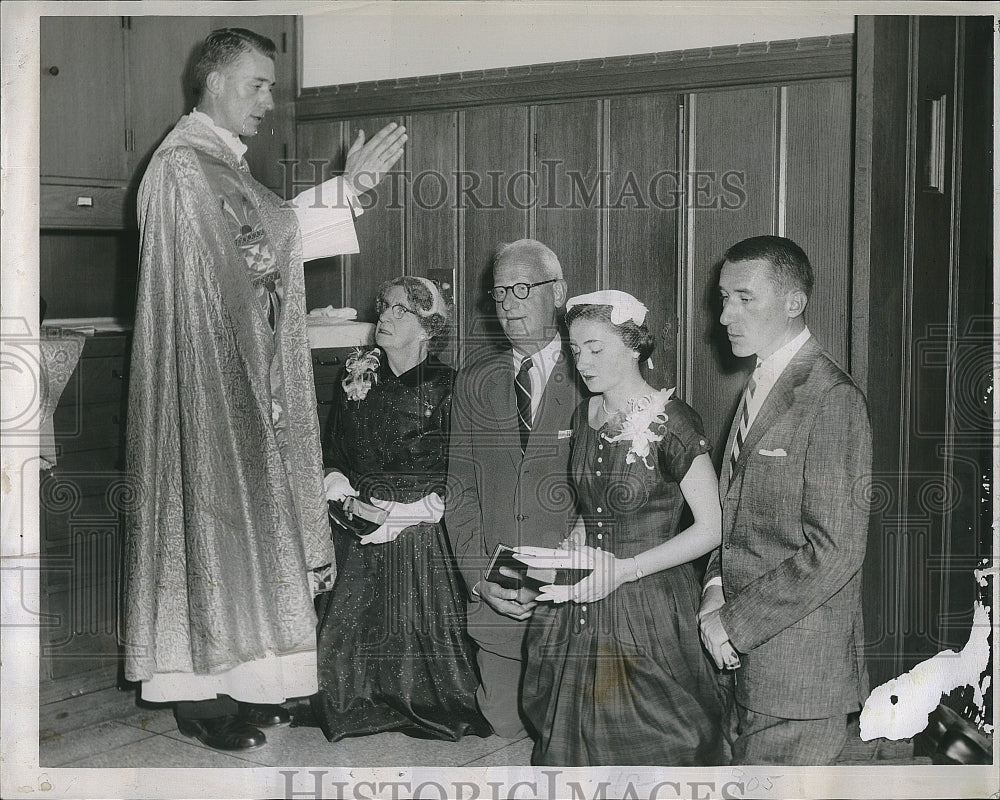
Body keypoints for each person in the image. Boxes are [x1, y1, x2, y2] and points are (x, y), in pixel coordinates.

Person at [123, 28, 407, 752]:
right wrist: (350, 190)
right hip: (204, 382)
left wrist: (353, 190)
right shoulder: (184, 168)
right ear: (212, 81)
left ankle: (253, 682)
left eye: (271, 87)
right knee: (213, 521)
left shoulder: (218, 165)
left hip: (238, 376)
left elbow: (261, 239)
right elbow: (253, 248)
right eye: (256, 84)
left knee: (251, 526)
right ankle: (197, 691)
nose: (267, 102)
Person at [518, 290, 724, 766]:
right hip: (584, 585)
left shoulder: (672, 420)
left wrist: (626, 570)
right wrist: (577, 533)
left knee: (658, 739)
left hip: (647, 594)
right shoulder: (584, 415)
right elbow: (589, 504)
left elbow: (712, 528)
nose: (582, 362)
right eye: (574, 350)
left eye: (596, 348)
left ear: (634, 346)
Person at [697, 235, 872, 765]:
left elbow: (835, 550)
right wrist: (714, 590)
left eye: (745, 298)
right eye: (725, 297)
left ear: (794, 303)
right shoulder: (759, 386)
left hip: (799, 676)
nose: (726, 314)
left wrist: (733, 622)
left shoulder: (832, 398)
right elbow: (736, 519)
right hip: (744, 665)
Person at [311, 276, 490, 742]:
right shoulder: (356, 376)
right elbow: (332, 453)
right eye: (384, 306)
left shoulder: (449, 387)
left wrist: (409, 514)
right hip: (360, 526)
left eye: (400, 311)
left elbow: (462, 470)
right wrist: (343, 495)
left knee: (436, 676)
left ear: (429, 328)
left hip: (420, 532)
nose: (385, 317)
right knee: (338, 675)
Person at [445, 239, 583, 739]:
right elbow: (459, 490)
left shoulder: (593, 369)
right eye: (499, 292)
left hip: (574, 596)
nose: (507, 304)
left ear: (559, 292)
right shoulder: (474, 379)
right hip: (500, 598)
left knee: (568, 734)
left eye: (522, 288)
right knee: (504, 725)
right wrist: (481, 582)